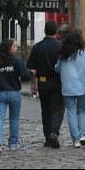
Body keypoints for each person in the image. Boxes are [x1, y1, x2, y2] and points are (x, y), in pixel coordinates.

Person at [0, 39, 31, 152]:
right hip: (14, 93)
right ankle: (13, 143)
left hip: (0, 94)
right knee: (14, 119)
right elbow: (25, 76)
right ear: (8, 48)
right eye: (14, 46)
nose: (16, 48)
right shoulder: (17, 61)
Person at [27, 20, 64, 148]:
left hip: (42, 82)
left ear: (44, 31)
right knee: (58, 109)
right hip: (58, 81)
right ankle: (54, 132)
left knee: (46, 110)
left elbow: (32, 70)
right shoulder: (61, 46)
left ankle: (48, 136)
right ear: (56, 32)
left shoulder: (37, 47)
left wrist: (33, 84)